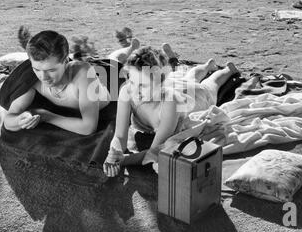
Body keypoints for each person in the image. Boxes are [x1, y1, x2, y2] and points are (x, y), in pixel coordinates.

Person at [103, 44, 240, 177]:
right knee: (189, 77)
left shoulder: (170, 104)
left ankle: (227, 70)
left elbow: (155, 151)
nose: (135, 90)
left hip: (192, 100)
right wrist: (113, 154)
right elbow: (120, 135)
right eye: (132, 81)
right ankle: (207, 66)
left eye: (142, 85)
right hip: (173, 87)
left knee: (209, 86)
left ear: (160, 83)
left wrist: (124, 160)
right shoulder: (128, 91)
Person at [3, 28, 140, 135]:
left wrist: (47, 116)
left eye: (51, 70)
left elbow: (88, 128)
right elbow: (9, 120)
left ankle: (130, 49)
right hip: (86, 76)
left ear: (65, 61)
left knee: (114, 62)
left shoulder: (84, 74)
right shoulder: (31, 77)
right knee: (104, 61)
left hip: (107, 83)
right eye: (37, 69)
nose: (43, 77)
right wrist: (21, 120)